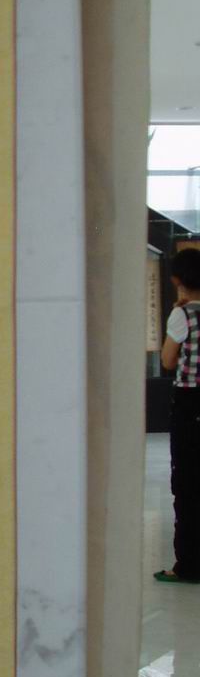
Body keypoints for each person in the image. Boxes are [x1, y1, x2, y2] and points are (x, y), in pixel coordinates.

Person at [156, 247, 200, 583]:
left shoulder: (182, 315)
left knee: (187, 484)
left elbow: (168, 361)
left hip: (190, 404)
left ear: (175, 279)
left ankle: (188, 565)